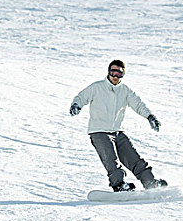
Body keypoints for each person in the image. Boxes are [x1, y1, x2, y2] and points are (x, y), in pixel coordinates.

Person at [70, 59, 167, 192]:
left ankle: (150, 182)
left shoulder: (125, 90)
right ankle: (119, 185)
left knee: (134, 158)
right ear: (108, 73)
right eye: (113, 73)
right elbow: (81, 97)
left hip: (117, 131)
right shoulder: (97, 87)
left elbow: (138, 104)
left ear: (123, 75)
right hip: (99, 131)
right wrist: (76, 105)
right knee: (110, 159)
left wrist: (150, 116)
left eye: (119, 74)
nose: (115, 77)